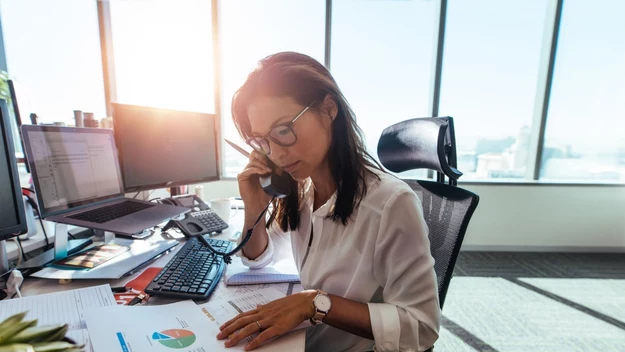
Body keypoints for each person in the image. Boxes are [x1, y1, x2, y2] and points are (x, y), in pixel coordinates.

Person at [216, 52, 441, 352]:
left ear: (328, 109)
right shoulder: (304, 189)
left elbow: (421, 327)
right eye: (262, 141)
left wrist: (316, 303)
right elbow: (257, 259)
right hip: (305, 341)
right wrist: (255, 210)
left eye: (283, 130)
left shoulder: (390, 203)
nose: (277, 154)